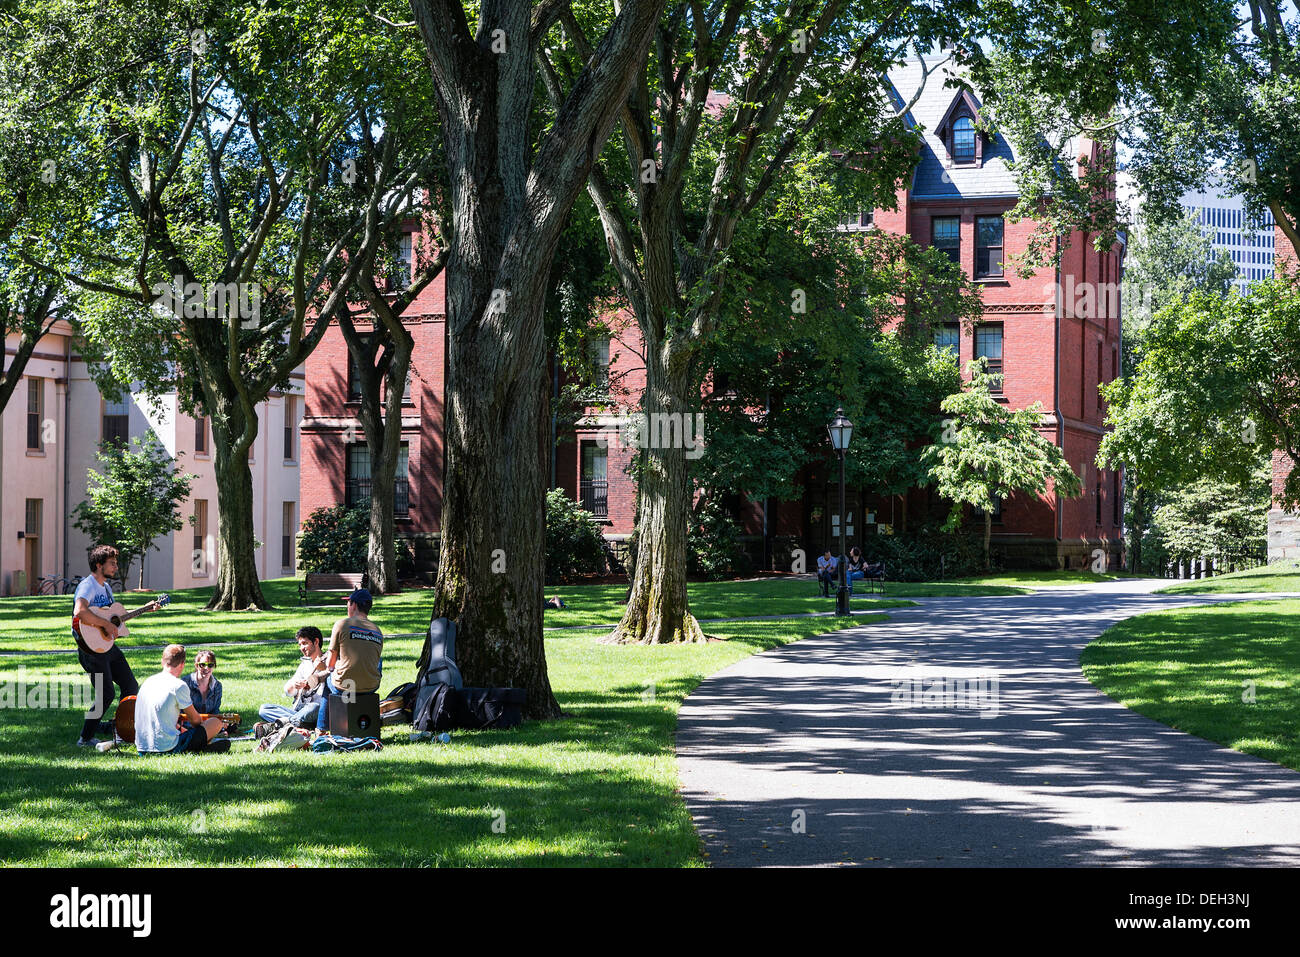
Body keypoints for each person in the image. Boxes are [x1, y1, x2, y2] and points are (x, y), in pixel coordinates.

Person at [72, 545, 160, 748]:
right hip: (90, 650)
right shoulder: (88, 585)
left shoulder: (106, 587)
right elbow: (80, 612)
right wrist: (106, 624)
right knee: (106, 694)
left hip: (106, 647)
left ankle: (122, 726)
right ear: (98, 565)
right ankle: (85, 738)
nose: (115, 567)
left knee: (130, 685)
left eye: (115, 563)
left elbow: (114, 618)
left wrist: (145, 609)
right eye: (111, 563)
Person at [135, 644, 229, 755]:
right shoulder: (179, 685)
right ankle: (202, 748)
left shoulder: (147, 682)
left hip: (142, 749)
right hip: (167, 748)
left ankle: (201, 747)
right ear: (182, 664)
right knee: (215, 723)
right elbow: (195, 721)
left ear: (163, 661)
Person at [315, 589, 384, 735]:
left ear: (353, 605)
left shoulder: (341, 624)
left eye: (348, 602)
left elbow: (330, 665)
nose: (347, 606)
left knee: (328, 684)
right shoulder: (377, 630)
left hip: (345, 687)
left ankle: (321, 728)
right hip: (371, 687)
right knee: (379, 660)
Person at [255, 626, 328, 734]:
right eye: (300, 645)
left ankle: (282, 724)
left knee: (314, 707)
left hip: (317, 711)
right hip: (299, 711)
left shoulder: (328, 661)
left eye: (304, 643)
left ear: (316, 641)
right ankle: (298, 724)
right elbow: (288, 691)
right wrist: (295, 685)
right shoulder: (305, 664)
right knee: (264, 709)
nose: (302, 648)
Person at [184, 649, 222, 716]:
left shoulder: (217, 686)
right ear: (196, 665)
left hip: (209, 724)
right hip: (187, 723)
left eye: (210, 665)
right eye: (202, 665)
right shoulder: (185, 684)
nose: (206, 668)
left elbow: (215, 712)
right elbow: (181, 712)